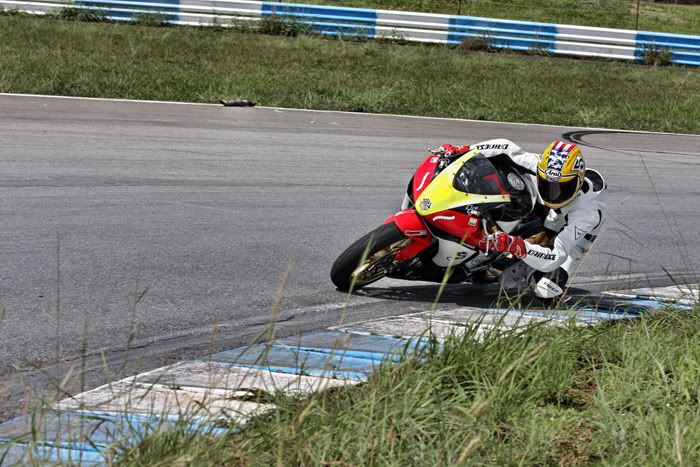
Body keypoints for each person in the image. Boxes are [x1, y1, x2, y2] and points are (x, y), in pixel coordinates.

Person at [436, 139, 607, 304]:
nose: (552, 193)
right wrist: (464, 149)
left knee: (544, 289)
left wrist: (516, 246)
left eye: (562, 188)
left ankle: (513, 266)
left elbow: (555, 256)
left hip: (567, 239)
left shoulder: (586, 213)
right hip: (546, 212)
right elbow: (506, 147)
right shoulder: (544, 166)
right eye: (546, 184)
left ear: (577, 183)